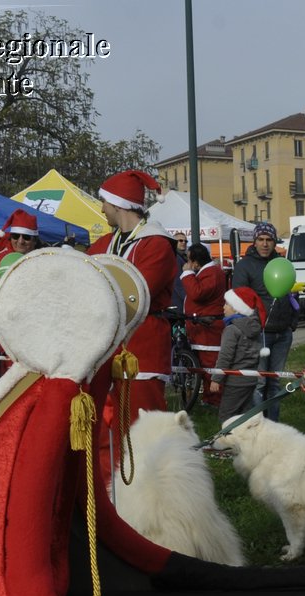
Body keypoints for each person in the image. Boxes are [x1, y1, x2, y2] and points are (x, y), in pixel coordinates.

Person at [88, 170, 175, 421]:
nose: (102, 209)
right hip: (106, 347)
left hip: (143, 347)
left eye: (105, 202)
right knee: (107, 428)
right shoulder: (104, 243)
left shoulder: (156, 244)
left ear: (118, 204)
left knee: (143, 428)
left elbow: (138, 293)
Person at [232, 221, 297, 421]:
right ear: (255, 241)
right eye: (261, 239)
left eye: (269, 240)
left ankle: (274, 426)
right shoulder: (245, 266)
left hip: (282, 333)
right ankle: (258, 427)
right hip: (258, 334)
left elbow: (291, 293)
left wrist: (292, 322)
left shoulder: (282, 263)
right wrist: (250, 329)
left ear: (275, 242)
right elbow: (238, 299)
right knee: (259, 383)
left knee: (275, 383)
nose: (265, 244)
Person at [0, 209, 39, 385]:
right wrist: (17, 306)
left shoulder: (41, 260)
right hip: (6, 337)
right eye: (15, 236)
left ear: (34, 239)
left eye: (26, 237)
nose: (20, 241)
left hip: (37, 335)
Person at [180, 244, 226, 401]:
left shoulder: (211, 273)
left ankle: (215, 399)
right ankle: (209, 398)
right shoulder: (211, 272)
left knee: (210, 366)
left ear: (196, 262)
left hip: (208, 330)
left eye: (189, 260)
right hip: (203, 329)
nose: (187, 263)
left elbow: (197, 293)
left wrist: (187, 273)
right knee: (206, 367)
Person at [216, 286, 265, 419]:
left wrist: (216, 378)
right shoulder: (254, 328)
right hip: (250, 379)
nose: (223, 307)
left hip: (234, 381)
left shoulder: (232, 329)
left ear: (237, 308)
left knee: (227, 416)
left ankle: (227, 440)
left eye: (227, 303)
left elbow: (225, 356)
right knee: (245, 416)